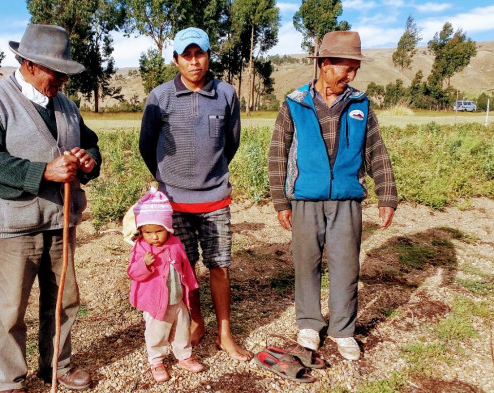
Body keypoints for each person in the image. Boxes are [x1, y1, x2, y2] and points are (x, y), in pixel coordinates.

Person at [0, 24, 101, 392]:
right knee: (10, 309)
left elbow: (90, 144)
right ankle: (9, 380)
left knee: (64, 301)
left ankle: (57, 367)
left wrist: (88, 160)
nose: (61, 80)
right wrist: (43, 171)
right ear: (27, 63)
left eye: (64, 73)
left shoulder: (66, 105)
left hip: (61, 222)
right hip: (15, 225)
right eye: (55, 72)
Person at [268, 31, 397, 360]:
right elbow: (277, 154)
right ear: (325, 65)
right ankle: (309, 323)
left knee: (346, 266)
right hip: (305, 200)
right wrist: (281, 201)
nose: (351, 75)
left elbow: (376, 152)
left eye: (355, 68)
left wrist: (387, 196)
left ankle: (343, 329)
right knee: (306, 263)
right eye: (345, 67)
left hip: (346, 200)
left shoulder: (360, 105)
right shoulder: (295, 104)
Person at [139, 27, 251, 361]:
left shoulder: (226, 94)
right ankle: (196, 321)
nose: (193, 62)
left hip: (215, 198)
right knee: (183, 268)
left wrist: (210, 175)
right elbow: (147, 147)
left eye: (199, 54)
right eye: (186, 56)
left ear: (208, 56)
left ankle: (225, 335)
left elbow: (231, 143)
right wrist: (169, 180)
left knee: (220, 266)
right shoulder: (160, 97)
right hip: (174, 202)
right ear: (175, 60)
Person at [127, 188, 205, 382]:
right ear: (141, 231)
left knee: (181, 330)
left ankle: (184, 356)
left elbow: (185, 266)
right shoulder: (141, 248)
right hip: (156, 303)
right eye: (148, 232)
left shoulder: (175, 244)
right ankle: (156, 361)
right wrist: (144, 264)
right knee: (157, 333)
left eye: (159, 231)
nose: (154, 237)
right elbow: (133, 273)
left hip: (177, 300)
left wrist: (190, 286)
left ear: (168, 228)